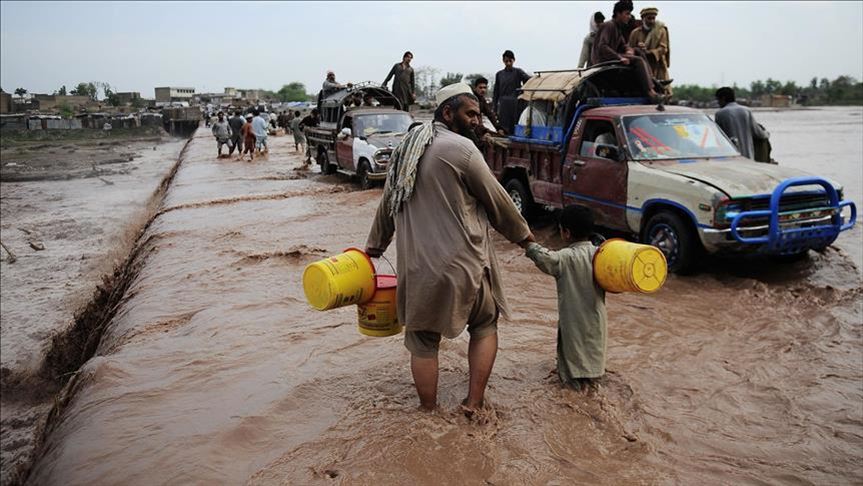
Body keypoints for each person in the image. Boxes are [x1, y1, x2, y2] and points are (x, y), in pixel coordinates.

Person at [365, 83, 534, 413]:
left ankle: (428, 411)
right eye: (470, 114)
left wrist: (373, 248)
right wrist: (527, 241)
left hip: (417, 269)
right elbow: (499, 203)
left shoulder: (405, 151)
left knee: (422, 342)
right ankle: (473, 403)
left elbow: (388, 205)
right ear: (447, 113)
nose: (476, 120)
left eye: (478, 114)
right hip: (464, 266)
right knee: (485, 326)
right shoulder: (463, 151)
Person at [525, 205, 607, 390]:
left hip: (574, 325)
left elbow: (544, 258)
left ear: (566, 233)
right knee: (593, 374)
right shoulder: (600, 255)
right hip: (597, 322)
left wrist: (527, 243)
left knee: (572, 375)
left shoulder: (566, 257)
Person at [592, 1, 663, 102]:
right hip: (603, 60)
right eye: (627, 14)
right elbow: (602, 47)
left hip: (612, 57)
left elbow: (623, 45)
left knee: (638, 51)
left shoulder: (618, 27)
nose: (629, 17)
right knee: (638, 60)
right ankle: (650, 92)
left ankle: (652, 80)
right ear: (618, 14)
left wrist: (629, 50)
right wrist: (619, 57)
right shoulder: (609, 25)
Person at [714, 87, 769, 160]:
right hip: (749, 157)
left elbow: (718, 138)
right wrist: (767, 134)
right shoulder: (746, 111)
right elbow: (758, 133)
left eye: (718, 100)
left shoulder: (720, 114)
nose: (718, 103)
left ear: (723, 98)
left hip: (731, 157)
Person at [629, 7, 671, 93]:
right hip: (642, 66)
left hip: (658, 65)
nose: (651, 21)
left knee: (662, 91)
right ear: (643, 18)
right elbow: (629, 49)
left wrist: (649, 52)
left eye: (653, 18)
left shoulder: (661, 31)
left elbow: (663, 48)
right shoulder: (635, 33)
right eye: (649, 18)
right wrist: (638, 49)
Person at [493, 50, 532, 134]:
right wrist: (494, 108)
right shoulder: (499, 74)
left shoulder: (518, 72)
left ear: (513, 60)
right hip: (503, 105)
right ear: (503, 61)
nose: (508, 63)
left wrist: (524, 90)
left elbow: (529, 80)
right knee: (503, 127)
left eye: (510, 61)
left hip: (515, 104)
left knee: (515, 125)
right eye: (506, 61)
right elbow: (496, 92)